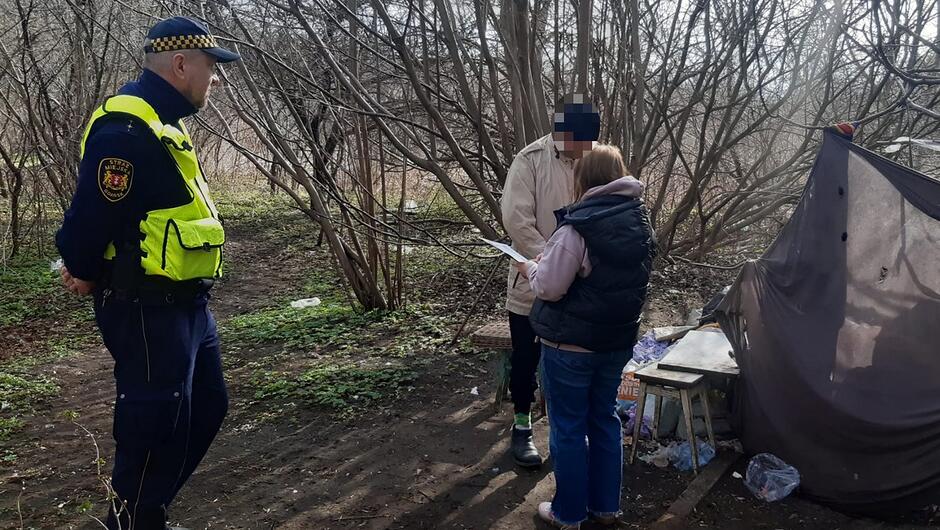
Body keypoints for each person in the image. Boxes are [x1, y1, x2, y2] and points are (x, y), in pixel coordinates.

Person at [55, 16, 240, 530]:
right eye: (211, 66)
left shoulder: (164, 121)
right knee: (153, 424)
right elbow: (89, 218)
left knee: (206, 407)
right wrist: (83, 269)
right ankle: (133, 521)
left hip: (188, 305)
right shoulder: (126, 130)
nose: (216, 78)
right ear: (181, 64)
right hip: (145, 309)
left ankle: (142, 513)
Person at [515, 145, 655, 529]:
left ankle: (569, 514)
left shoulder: (578, 226)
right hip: (615, 343)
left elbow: (550, 288)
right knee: (605, 421)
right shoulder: (640, 221)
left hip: (570, 347)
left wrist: (529, 268)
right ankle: (606, 507)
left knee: (569, 428)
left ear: (584, 179)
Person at [500, 94, 599, 467]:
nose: (584, 149)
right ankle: (522, 425)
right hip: (533, 278)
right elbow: (517, 220)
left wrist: (581, 263)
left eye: (589, 143)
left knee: (574, 359)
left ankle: (570, 431)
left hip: (583, 283)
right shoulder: (530, 161)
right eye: (579, 142)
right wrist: (554, 260)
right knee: (526, 357)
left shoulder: (595, 159)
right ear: (561, 132)